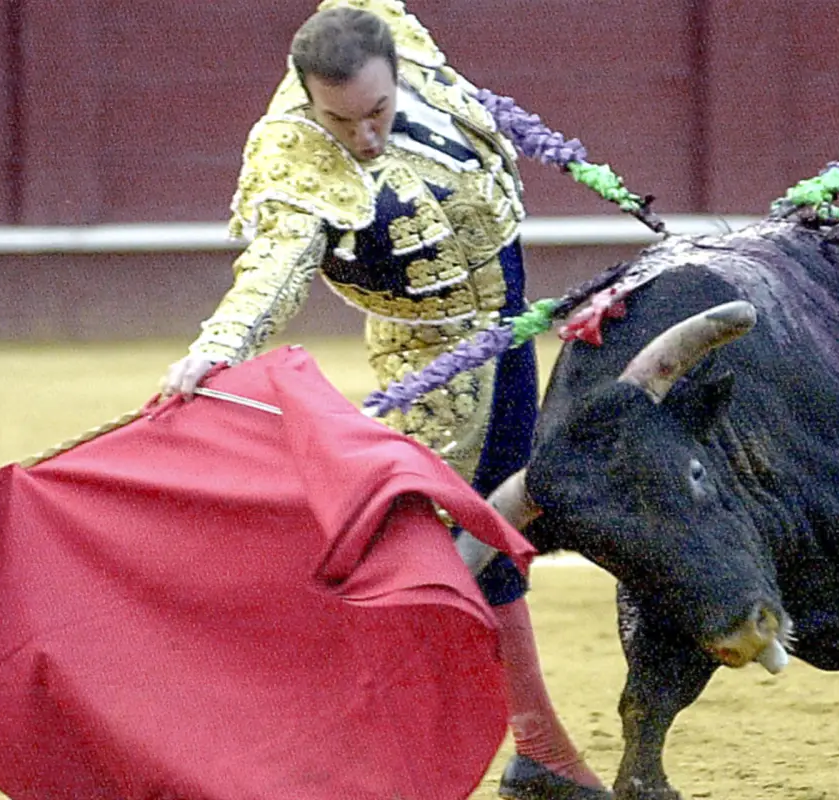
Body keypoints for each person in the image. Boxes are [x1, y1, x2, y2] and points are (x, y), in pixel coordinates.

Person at [159, 3, 609, 798]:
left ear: (398, 70)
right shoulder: (296, 155)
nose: (365, 137)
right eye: (342, 121)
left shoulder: (390, 34)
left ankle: (537, 749)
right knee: (446, 552)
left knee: (492, 539)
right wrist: (218, 348)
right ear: (306, 97)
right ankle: (514, 748)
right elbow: (276, 265)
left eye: (378, 112)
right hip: (437, 371)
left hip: (504, 334)